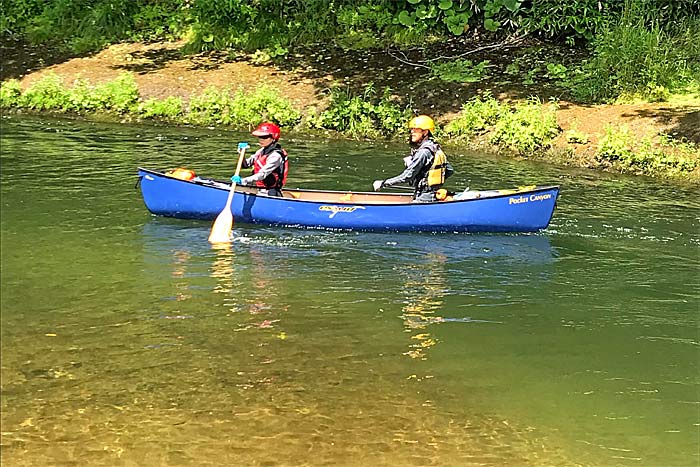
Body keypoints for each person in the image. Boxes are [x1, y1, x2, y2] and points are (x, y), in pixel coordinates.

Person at [373, 115, 454, 203]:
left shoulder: (423, 152)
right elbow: (449, 170)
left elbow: (407, 176)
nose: (412, 132)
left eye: (416, 130)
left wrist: (383, 183)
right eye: (412, 129)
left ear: (425, 132)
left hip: (423, 198)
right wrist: (434, 185)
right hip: (433, 195)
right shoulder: (435, 148)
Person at [231, 122, 289, 197]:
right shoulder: (261, 151)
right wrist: (241, 153)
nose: (261, 140)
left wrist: (243, 180)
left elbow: (262, 174)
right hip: (259, 189)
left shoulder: (276, 156)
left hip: (271, 192)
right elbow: (245, 165)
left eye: (265, 137)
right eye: (260, 137)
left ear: (273, 138)